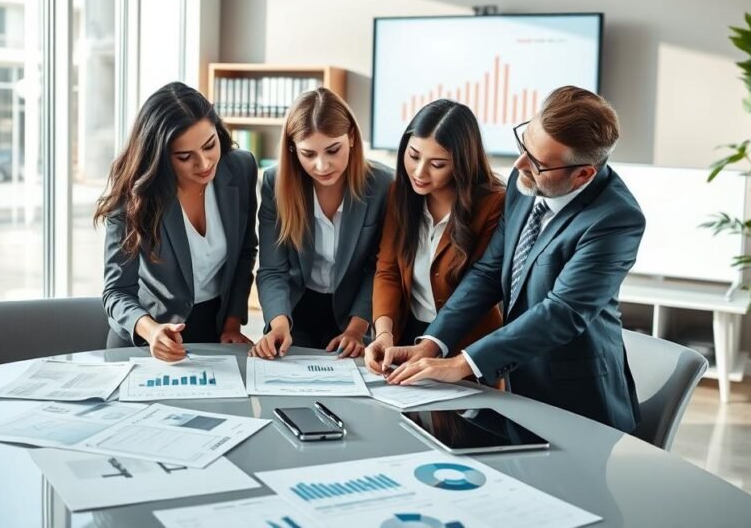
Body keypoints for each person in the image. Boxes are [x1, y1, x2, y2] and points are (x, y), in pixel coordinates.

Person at [377, 86, 645, 433]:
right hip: (515, 385)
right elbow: (488, 273)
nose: (519, 166)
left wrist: (463, 363)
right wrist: (432, 343)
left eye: (537, 162)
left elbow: (561, 312)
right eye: (523, 146)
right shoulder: (525, 183)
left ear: (583, 174)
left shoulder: (615, 219)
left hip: (576, 398)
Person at [96, 81, 258, 362]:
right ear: (160, 156)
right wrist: (150, 331)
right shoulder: (133, 196)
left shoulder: (240, 169)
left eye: (210, 146)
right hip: (144, 341)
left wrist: (233, 323)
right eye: (185, 157)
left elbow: (245, 253)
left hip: (214, 332)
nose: (205, 163)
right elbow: (116, 291)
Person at [365, 99, 505, 374]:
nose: (419, 172)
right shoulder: (399, 194)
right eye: (414, 156)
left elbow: (478, 287)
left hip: (465, 348)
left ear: (461, 164)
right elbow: (388, 270)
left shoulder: (493, 204)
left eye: (437, 164)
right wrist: (383, 332)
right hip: (406, 336)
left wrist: (433, 346)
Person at [251, 87, 393, 360]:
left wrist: (357, 328)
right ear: (292, 149)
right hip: (294, 310)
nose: (322, 165)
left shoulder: (384, 185)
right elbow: (272, 269)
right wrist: (278, 323)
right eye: (308, 154)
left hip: (355, 314)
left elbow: (377, 269)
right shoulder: (274, 183)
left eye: (332, 150)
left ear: (351, 137)